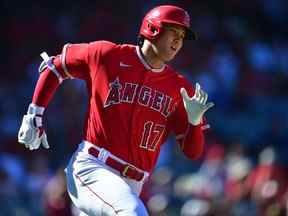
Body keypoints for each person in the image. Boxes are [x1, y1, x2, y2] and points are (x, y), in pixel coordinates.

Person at [18, 5, 214, 216]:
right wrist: (34, 114)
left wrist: (194, 122)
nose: (178, 41)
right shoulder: (107, 55)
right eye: (174, 33)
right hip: (93, 167)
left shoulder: (180, 87)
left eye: (183, 36)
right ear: (152, 29)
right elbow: (55, 66)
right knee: (132, 212)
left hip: (134, 185)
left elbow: (193, 152)